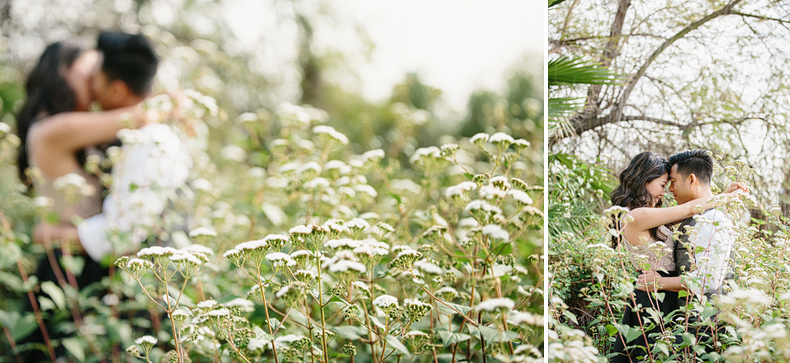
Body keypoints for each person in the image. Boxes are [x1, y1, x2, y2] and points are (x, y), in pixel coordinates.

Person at [16, 35, 156, 362]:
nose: (96, 81)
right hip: (68, 269)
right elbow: (144, 113)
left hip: (89, 257)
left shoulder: (79, 126)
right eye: (89, 71)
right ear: (61, 75)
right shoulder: (52, 127)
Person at [607, 151, 745, 363]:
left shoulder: (648, 216)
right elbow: (690, 207)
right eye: (663, 185)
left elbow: (689, 212)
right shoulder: (637, 215)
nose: (666, 192)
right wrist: (726, 197)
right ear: (644, 179)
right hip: (653, 297)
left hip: (666, 294)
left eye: (669, 183)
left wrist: (721, 197)